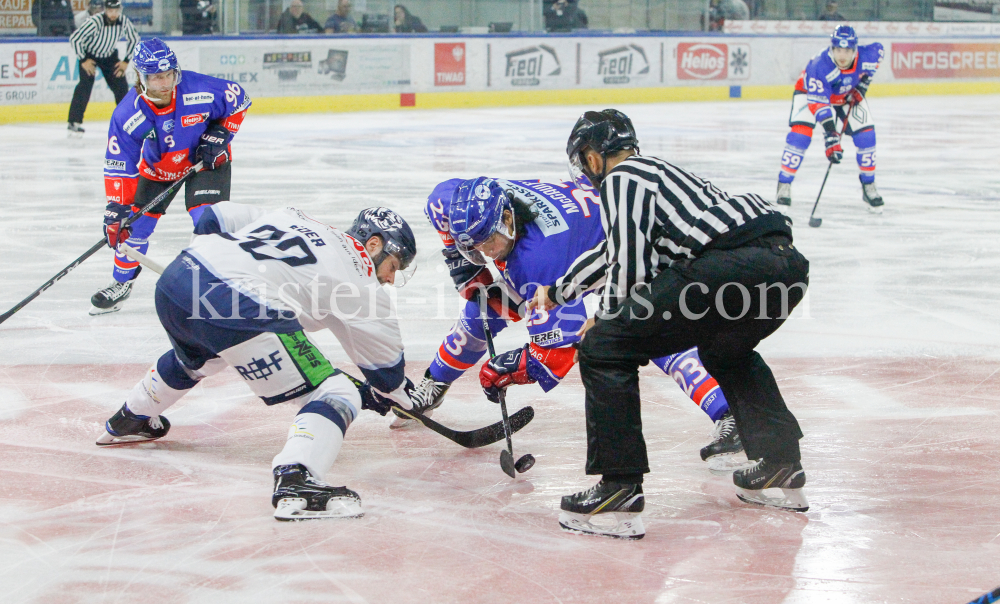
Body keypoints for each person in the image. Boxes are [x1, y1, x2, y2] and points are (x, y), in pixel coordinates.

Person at [528, 109, 810, 539]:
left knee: (604, 347)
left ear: (592, 156)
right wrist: (557, 290)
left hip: (728, 267)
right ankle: (780, 463)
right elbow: (615, 253)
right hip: (784, 268)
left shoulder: (623, 179)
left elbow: (627, 266)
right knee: (725, 351)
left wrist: (604, 321)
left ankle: (619, 487)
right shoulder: (660, 177)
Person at [391, 177, 748, 472]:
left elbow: (556, 356)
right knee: (483, 311)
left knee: (645, 333)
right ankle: (435, 383)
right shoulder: (457, 203)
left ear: (507, 219)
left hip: (632, 253)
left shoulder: (537, 260)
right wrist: (459, 260)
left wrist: (507, 370)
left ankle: (731, 412)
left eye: (489, 241)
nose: (486, 252)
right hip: (588, 237)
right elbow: (438, 203)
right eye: (476, 245)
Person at [95, 203, 419, 520]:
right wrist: (399, 398)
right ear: (373, 244)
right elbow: (387, 372)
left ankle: (130, 418)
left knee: (197, 359)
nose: (390, 279)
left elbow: (213, 215)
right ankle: (297, 482)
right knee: (336, 393)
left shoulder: (294, 216)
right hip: (241, 304)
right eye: (393, 266)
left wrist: (215, 264)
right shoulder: (361, 282)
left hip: (179, 279)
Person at [92, 38, 252, 315]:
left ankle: (215, 287)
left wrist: (224, 132)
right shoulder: (128, 113)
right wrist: (117, 208)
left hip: (206, 163)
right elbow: (121, 163)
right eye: (156, 77)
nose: (165, 83)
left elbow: (240, 100)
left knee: (207, 221)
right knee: (135, 228)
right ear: (141, 79)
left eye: (169, 75)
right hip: (159, 170)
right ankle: (121, 282)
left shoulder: (200, 89)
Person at [776, 26, 884, 212]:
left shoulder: (868, 56)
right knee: (800, 136)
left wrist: (863, 85)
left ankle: (868, 185)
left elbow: (879, 52)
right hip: (809, 93)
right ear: (832, 49)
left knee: (867, 136)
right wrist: (831, 135)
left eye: (848, 50)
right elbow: (820, 105)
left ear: (855, 50)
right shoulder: (819, 66)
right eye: (838, 50)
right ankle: (784, 184)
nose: (843, 55)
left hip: (845, 94)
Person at [67, 0, 138, 137]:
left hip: (109, 57)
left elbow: (134, 39)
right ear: (105, 10)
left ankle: (127, 122)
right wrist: (83, 59)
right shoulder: (95, 22)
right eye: (110, 11)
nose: (113, 14)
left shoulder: (123, 21)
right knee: (85, 86)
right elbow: (75, 38)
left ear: (120, 10)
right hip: (90, 56)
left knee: (121, 87)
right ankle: (74, 122)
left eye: (116, 11)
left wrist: (126, 61)